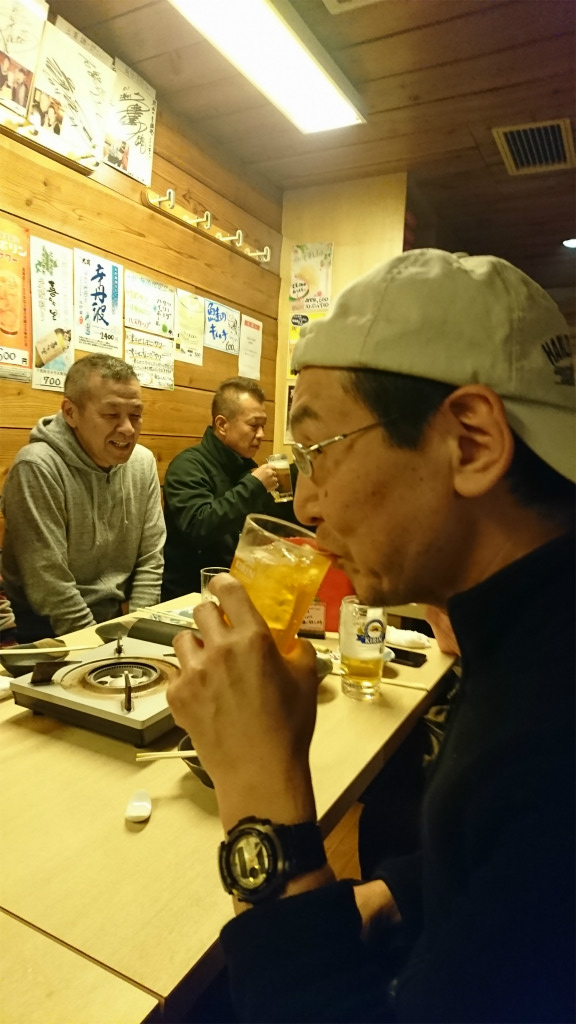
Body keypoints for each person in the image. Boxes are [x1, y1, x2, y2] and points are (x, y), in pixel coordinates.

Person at [166, 250, 575, 1023]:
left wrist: (260, 797)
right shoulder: (529, 632)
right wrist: (399, 895)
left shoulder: (552, 741)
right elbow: (506, 866)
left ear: (471, 442)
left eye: (317, 453)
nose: (306, 503)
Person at [1, 354, 165, 643]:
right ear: (71, 413)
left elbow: (150, 558)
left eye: (135, 415)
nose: (128, 428)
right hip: (46, 630)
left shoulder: (143, 462)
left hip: (116, 621)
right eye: (111, 415)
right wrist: (97, 649)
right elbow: (50, 585)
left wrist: (140, 633)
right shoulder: (37, 466)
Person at [162, 376, 294, 599]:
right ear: (222, 425)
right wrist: (254, 485)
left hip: (239, 594)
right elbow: (199, 526)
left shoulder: (247, 468)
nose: (261, 434)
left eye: (263, 426)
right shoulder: (188, 466)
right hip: (191, 598)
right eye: (254, 425)